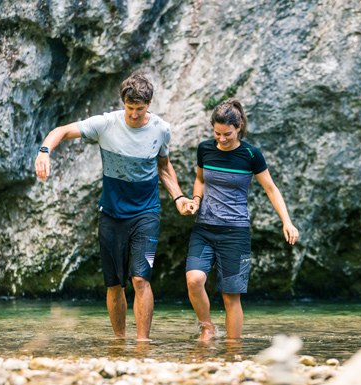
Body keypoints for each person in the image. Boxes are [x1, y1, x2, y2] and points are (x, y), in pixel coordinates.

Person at [34, 73, 191, 341]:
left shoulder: (161, 129)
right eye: (129, 108)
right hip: (111, 213)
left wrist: (178, 197)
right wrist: (44, 151)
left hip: (146, 213)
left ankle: (143, 343)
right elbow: (61, 131)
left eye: (139, 109)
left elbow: (164, 167)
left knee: (140, 279)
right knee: (114, 283)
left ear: (149, 104)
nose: (133, 114)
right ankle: (119, 341)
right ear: (123, 103)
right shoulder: (106, 124)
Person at [184, 99, 299, 341]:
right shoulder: (205, 149)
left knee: (230, 296)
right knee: (194, 279)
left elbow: (271, 189)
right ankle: (207, 327)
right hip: (204, 228)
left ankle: (232, 350)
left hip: (235, 232)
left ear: (239, 128)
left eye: (227, 134)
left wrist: (287, 222)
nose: (221, 139)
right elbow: (200, 179)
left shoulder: (250, 155)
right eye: (217, 133)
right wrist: (195, 199)